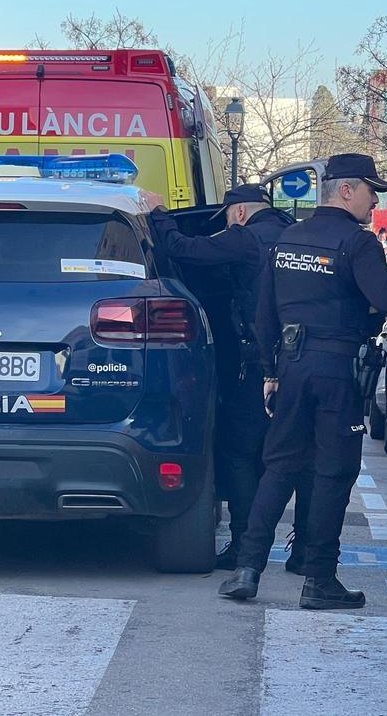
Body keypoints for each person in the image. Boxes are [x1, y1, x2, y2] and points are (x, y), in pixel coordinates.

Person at [219, 153, 387, 610]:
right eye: (371, 192)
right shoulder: (358, 244)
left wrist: (272, 372)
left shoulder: (288, 239)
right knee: (334, 472)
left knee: (279, 467)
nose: (374, 203)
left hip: (291, 369)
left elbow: (264, 314)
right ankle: (319, 580)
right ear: (346, 190)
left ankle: (247, 570)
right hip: (336, 372)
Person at [147, 185, 296, 570]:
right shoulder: (298, 233)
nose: (226, 227)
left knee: (240, 452)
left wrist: (159, 214)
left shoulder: (245, 238)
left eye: (227, 219)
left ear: (240, 212)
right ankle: (308, 553)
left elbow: (185, 250)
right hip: (308, 362)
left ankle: (245, 545)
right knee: (304, 458)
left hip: (261, 365)